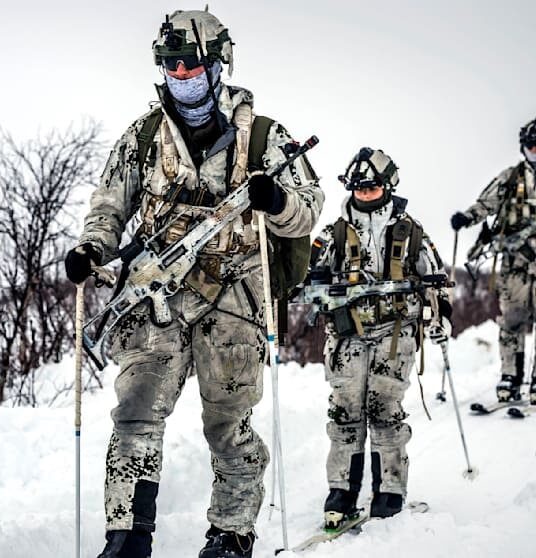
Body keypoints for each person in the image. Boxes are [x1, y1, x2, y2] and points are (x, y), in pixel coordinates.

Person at [64, 8, 323, 558]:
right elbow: (109, 206)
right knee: (135, 409)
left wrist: (274, 200)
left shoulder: (265, 139)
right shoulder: (144, 135)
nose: (183, 78)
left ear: (217, 65)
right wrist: (91, 249)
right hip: (156, 297)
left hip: (234, 298)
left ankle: (231, 533)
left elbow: (307, 212)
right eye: (172, 69)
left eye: (192, 68)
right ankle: (126, 534)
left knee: (228, 423)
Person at [307, 147, 451, 527]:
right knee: (344, 410)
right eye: (358, 188)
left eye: (372, 188)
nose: (365, 194)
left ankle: (390, 488)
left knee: (385, 409)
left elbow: (436, 276)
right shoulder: (334, 232)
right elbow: (311, 275)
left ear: (387, 186)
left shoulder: (410, 230)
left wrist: (442, 315)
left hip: (395, 332)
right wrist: (317, 287)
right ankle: (342, 489)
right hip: (347, 333)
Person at [450, 117, 536, 405]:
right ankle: (510, 376)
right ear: (524, 148)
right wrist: (467, 217)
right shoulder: (511, 178)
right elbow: (486, 204)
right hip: (515, 263)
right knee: (511, 319)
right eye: (533, 147)